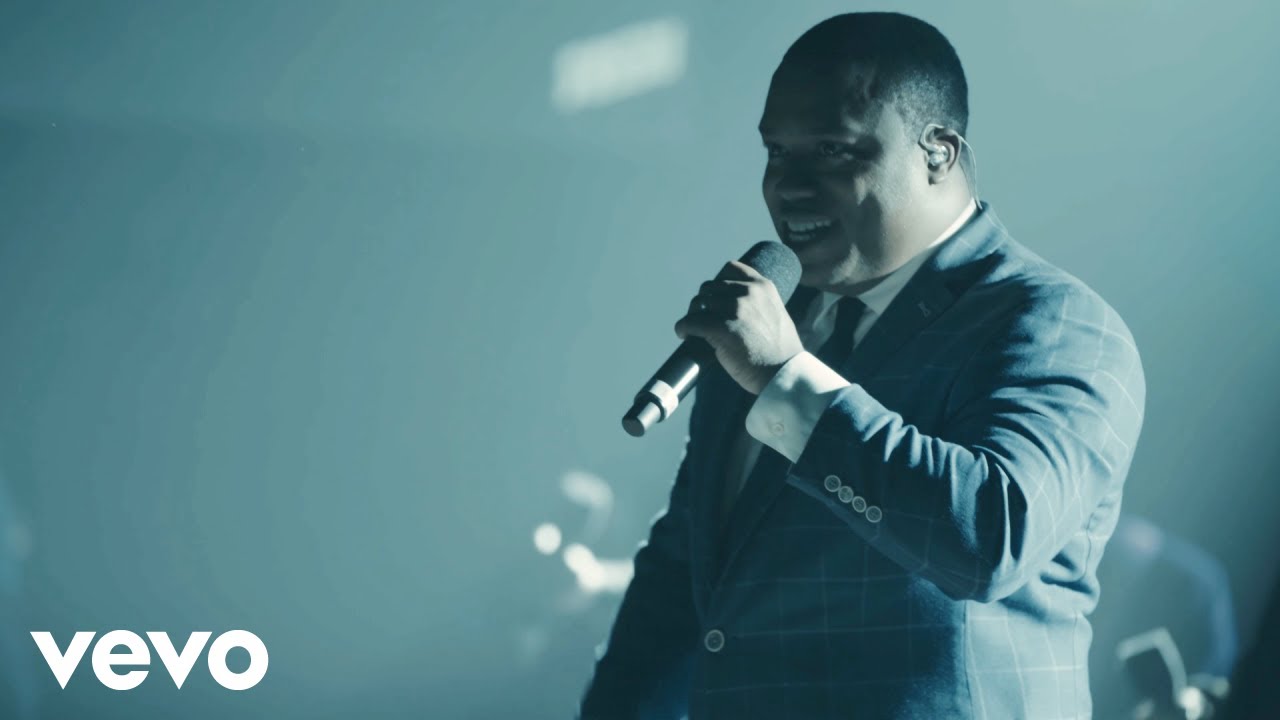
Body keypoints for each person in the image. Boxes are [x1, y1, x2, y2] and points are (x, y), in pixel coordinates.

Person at [580, 12, 1146, 719]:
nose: (789, 185)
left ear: (938, 153)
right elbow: (684, 575)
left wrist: (786, 378)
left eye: (833, 150)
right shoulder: (771, 324)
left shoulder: (1055, 323)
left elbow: (991, 537)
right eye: (776, 151)